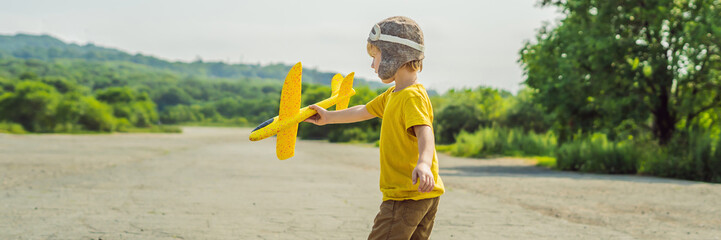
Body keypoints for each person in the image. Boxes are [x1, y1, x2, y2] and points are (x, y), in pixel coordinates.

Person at [304, 16, 444, 240]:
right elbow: (363, 110)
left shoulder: (411, 96)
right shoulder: (395, 94)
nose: (372, 65)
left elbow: (425, 132)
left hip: (406, 195)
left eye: (375, 56)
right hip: (421, 194)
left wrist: (424, 164)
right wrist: (329, 117)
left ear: (393, 55)